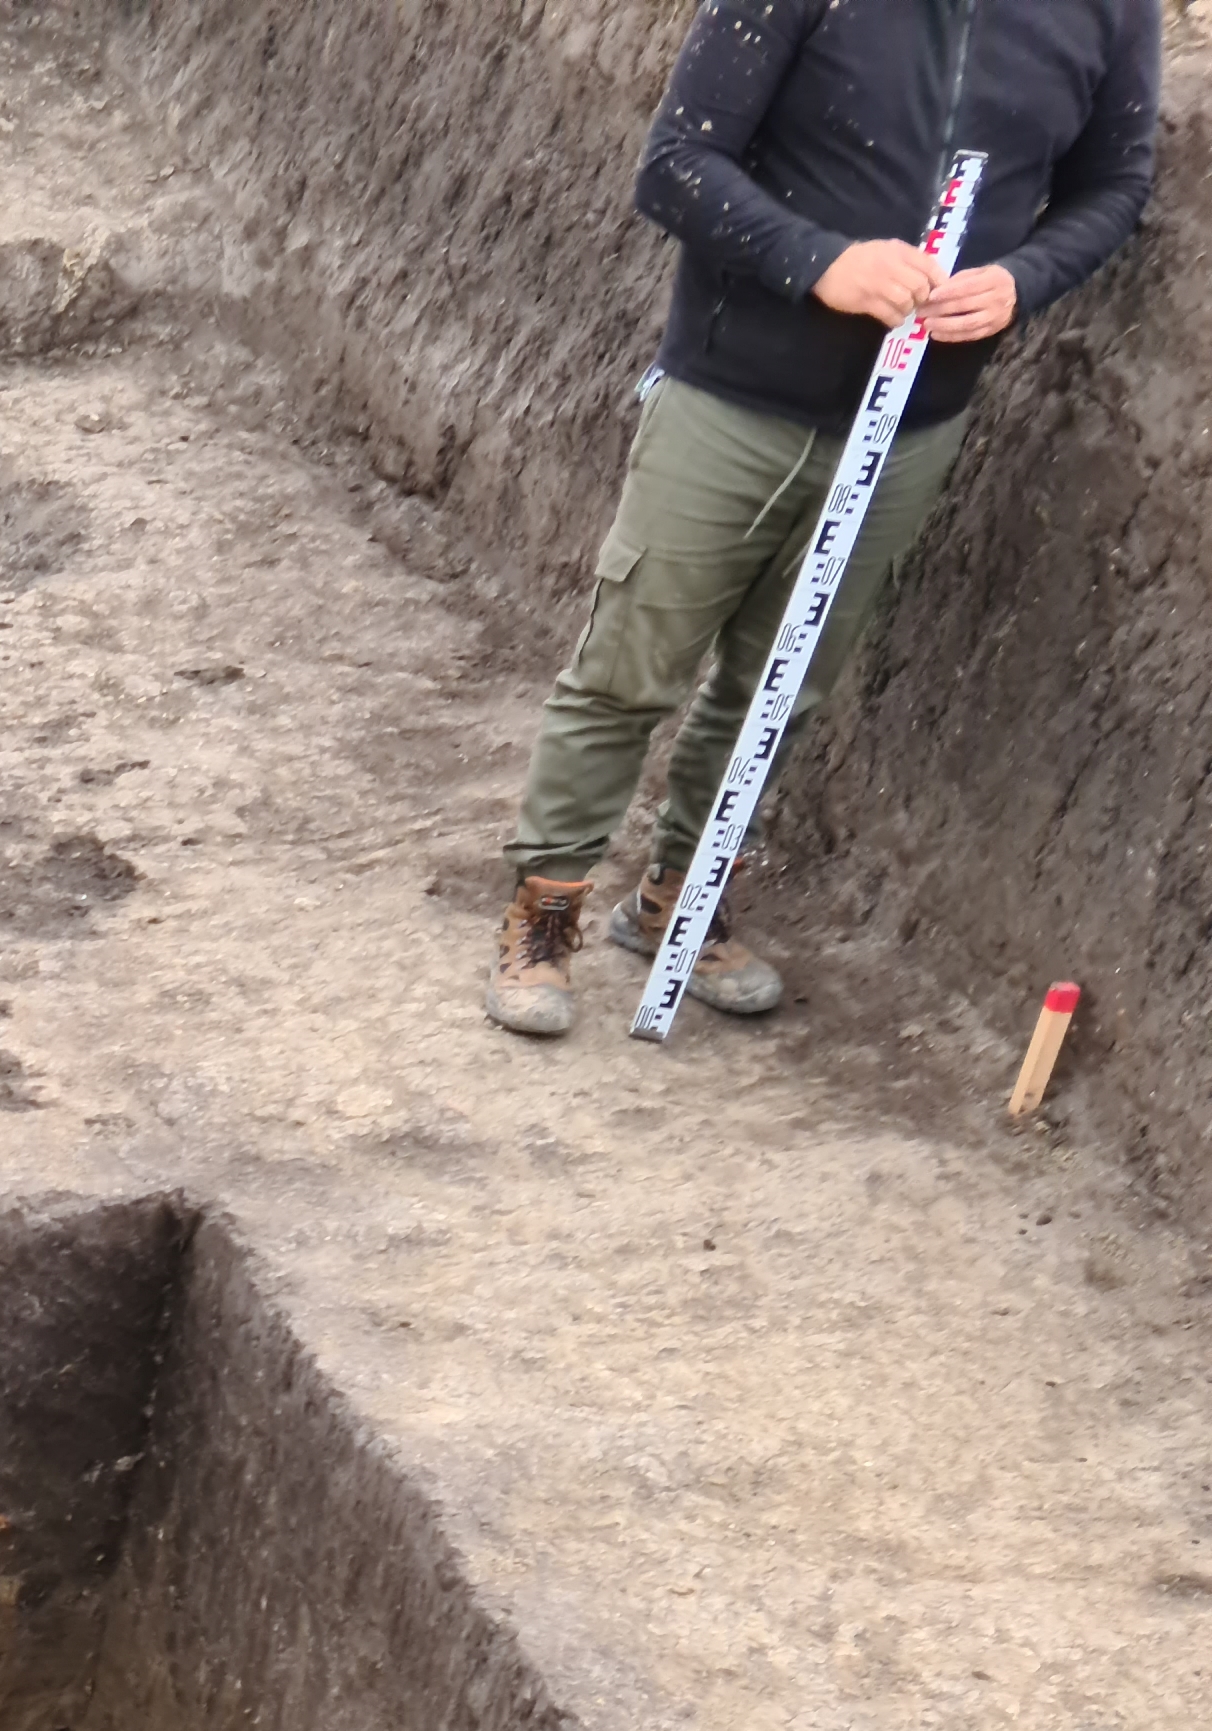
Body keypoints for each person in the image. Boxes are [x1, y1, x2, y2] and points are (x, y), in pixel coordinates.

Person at [488, 0, 1160, 1036]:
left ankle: (681, 900)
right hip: (733, 392)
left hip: (911, 425)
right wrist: (821, 261)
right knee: (631, 661)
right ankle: (547, 909)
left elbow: (1114, 183)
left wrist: (1022, 280)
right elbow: (675, 165)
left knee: (779, 686)